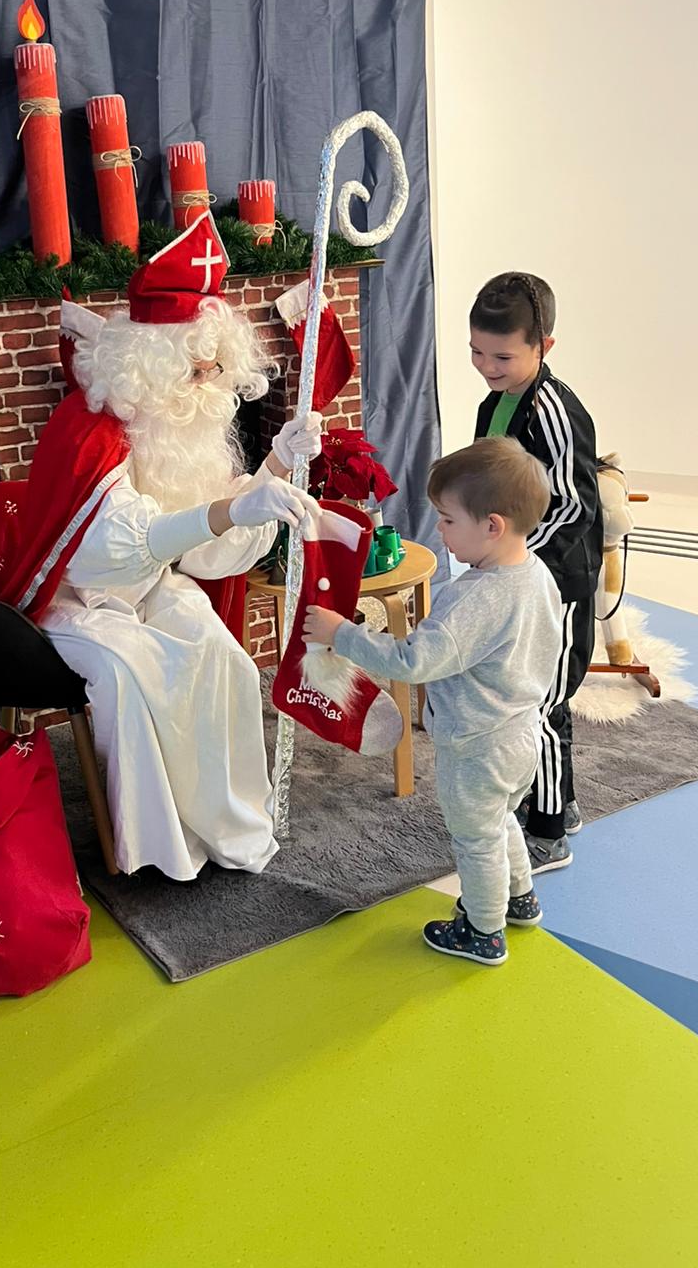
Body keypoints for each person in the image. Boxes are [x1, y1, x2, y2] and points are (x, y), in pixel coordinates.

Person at [38, 215, 322, 881]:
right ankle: (159, 848)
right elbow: (113, 546)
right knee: (137, 674)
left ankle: (226, 826)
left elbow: (204, 552)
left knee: (228, 663)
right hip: (73, 600)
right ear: (151, 366)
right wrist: (231, 509)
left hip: (149, 586)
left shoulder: (180, 431)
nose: (207, 386)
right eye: (194, 371)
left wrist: (276, 466)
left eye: (214, 370)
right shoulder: (90, 431)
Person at [303, 437, 561, 966]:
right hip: (521, 732)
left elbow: (413, 661)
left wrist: (341, 634)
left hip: (476, 745)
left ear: (492, 526)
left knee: (475, 840)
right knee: (500, 820)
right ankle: (520, 897)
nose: (439, 530)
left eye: (447, 520)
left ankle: (484, 930)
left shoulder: (476, 597)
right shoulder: (535, 574)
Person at [469, 272, 602, 871]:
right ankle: (559, 802)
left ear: (544, 346)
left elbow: (573, 505)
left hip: (556, 584)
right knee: (534, 694)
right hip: (519, 579)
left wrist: (516, 563)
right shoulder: (495, 403)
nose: (486, 366)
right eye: (477, 352)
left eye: (502, 357)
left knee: (540, 705)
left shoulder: (553, 412)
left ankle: (547, 833)